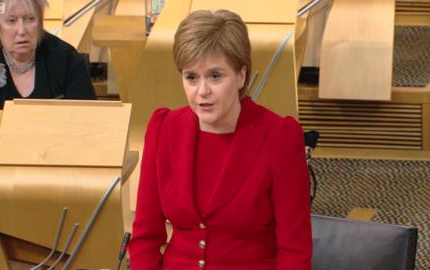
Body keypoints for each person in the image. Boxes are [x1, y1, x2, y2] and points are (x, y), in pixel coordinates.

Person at [129, 9, 312, 270]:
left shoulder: (279, 137)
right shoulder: (164, 129)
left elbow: (295, 251)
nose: (202, 91)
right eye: (191, 77)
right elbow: (145, 238)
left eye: (215, 76)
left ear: (241, 75)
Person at [0, 0, 96, 129]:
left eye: (30, 19)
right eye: (11, 20)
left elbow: (89, 125)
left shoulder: (66, 59)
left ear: (40, 22)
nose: (21, 31)